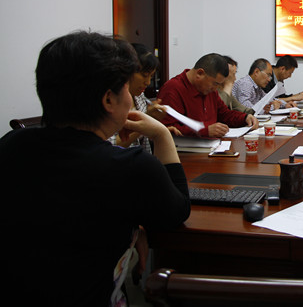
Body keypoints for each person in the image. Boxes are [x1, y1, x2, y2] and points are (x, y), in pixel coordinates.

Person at [1, 31, 191, 306]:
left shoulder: (11, 144)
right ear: (108, 100)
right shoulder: (132, 167)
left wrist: (133, 225)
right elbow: (176, 212)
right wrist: (162, 135)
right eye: (126, 88)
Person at [158, 53, 258, 137]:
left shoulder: (210, 90)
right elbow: (167, 129)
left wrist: (244, 118)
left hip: (212, 145)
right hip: (185, 150)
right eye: (215, 84)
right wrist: (205, 131)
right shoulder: (172, 89)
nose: (216, 89)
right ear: (200, 73)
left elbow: (224, 114)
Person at [111, 43, 182, 153]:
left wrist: (159, 132)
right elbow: (112, 147)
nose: (148, 82)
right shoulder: (110, 101)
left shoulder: (139, 96)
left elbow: (140, 139)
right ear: (127, 71)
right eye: (144, 75)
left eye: (151, 77)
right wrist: (145, 122)